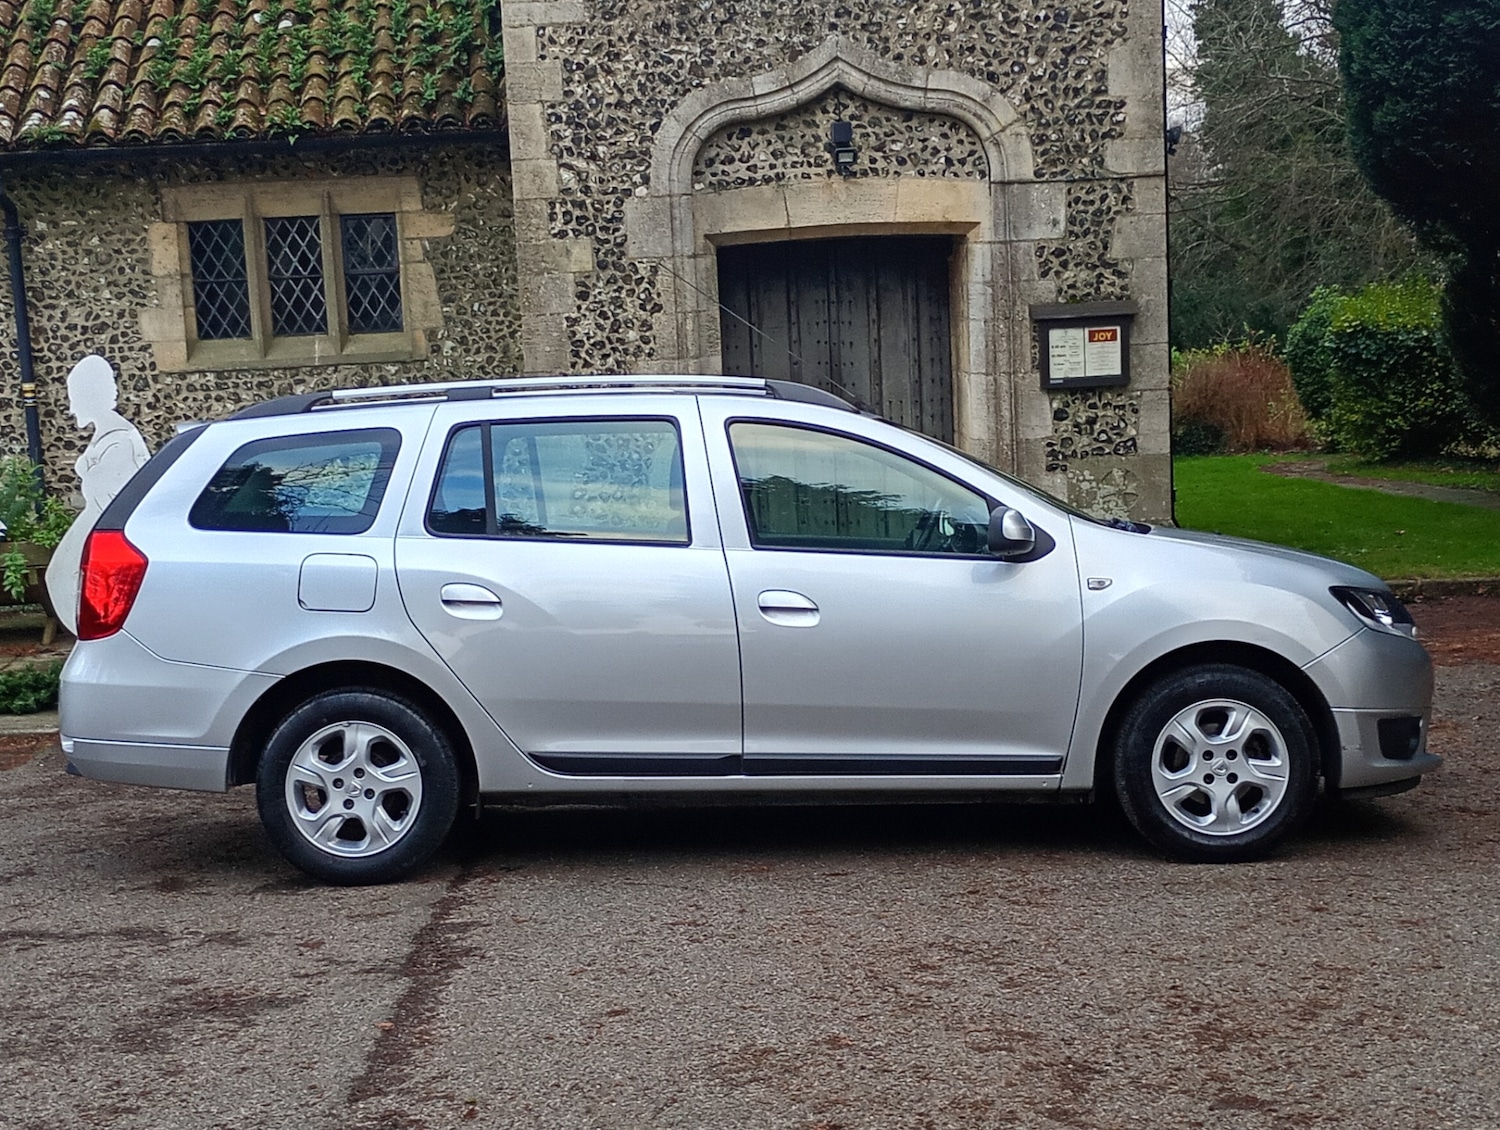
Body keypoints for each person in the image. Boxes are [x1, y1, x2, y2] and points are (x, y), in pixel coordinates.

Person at [45, 355, 151, 634]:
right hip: (95, 517)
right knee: (61, 577)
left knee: (78, 579)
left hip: (106, 520)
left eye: (74, 397)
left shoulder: (120, 439)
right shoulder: (106, 433)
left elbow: (122, 493)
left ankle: (101, 632)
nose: (70, 408)